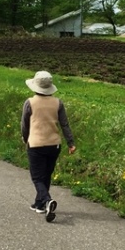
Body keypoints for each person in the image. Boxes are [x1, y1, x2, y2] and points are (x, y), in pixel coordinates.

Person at [21, 70, 77, 222]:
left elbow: (25, 125)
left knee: (37, 177)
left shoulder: (30, 103)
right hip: (54, 145)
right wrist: (71, 143)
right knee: (46, 174)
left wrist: (25, 138)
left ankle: (47, 200)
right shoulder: (58, 103)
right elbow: (65, 124)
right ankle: (39, 205)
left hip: (36, 144)